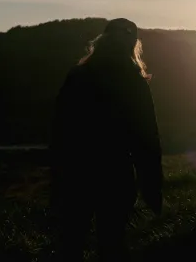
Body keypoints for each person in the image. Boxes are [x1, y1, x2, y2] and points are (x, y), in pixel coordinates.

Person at [49, 18, 164, 261]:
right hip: (115, 172)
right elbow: (146, 136)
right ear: (133, 45)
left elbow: (60, 126)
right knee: (112, 243)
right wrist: (152, 187)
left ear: (102, 41)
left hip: (76, 170)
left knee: (71, 243)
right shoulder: (134, 81)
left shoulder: (78, 75)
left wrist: (57, 172)